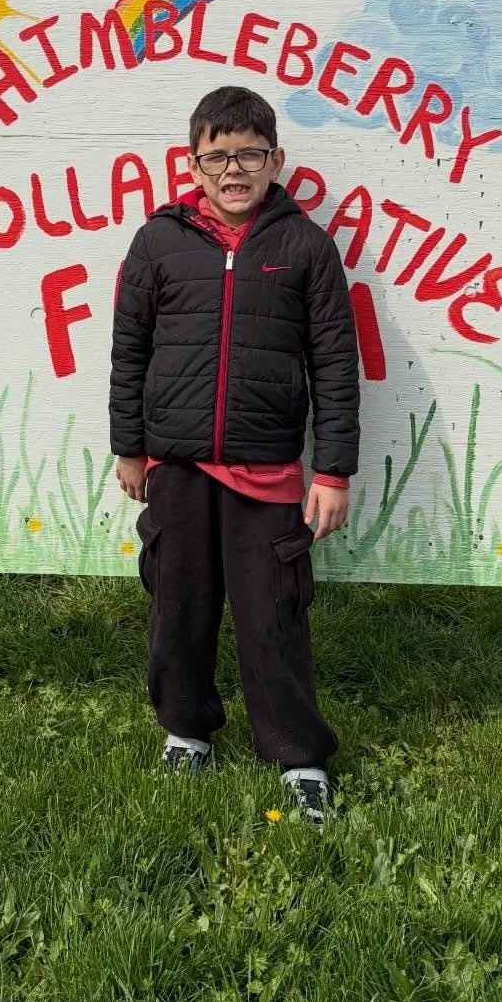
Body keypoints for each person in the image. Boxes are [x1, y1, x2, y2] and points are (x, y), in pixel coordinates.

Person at [110, 84, 360, 825]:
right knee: (177, 608)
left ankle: (297, 756)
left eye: (249, 154)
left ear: (276, 159)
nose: (233, 170)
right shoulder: (157, 242)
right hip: (177, 469)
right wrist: (130, 448)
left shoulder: (305, 247)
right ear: (191, 164)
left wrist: (333, 470)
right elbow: (129, 351)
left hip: (269, 473)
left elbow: (336, 365)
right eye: (216, 156)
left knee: (273, 616)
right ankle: (187, 730)